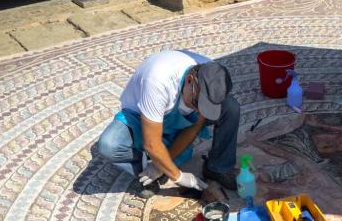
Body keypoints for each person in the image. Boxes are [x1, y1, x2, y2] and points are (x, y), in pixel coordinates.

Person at [94, 49, 241, 195]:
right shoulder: (157, 80)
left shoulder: (212, 75)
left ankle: (217, 167)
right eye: (198, 104)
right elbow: (152, 143)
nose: (200, 111)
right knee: (110, 145)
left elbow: (195, 125)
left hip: (175, 116)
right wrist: (177, 176)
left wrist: (164, 163)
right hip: (141, 118)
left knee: (230, 108)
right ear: (190, 80)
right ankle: (146, 172)